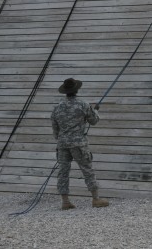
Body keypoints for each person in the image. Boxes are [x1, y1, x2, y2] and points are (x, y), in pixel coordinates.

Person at [51, 78, 109, 210]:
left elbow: (55, 130)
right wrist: (96, 111)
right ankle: (96, 199)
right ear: (77, 90)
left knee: (63, 172)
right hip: (79, 144)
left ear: (65, 92)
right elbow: (93, 121)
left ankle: (65, 202)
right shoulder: (83, 104)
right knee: (87, 169)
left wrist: (61, 139)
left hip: (62, 145)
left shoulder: (57, 107)